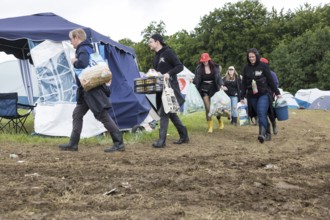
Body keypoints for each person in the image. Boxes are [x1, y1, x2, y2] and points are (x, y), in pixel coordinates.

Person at [59, 28, 125, 152]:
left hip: (91, 90)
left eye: (71, 39)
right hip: (87, 90)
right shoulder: (89, 48)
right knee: (77, 114)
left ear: (77, 37)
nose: (71, 42)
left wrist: (74, 62)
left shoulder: (82, 49)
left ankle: (119, 143)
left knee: (102, 115)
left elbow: (83, 64)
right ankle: (73, 144)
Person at [148, 33, 189, 148]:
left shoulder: (168, 52)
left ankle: (162, 141)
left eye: (150, 41)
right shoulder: (156, 56)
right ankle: (184, 135)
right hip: (160, 88)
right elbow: (158, 71)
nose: (149, 44)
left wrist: (168, 73)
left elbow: (179, 66)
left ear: (157, 42)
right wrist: (153, 72)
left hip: (170, 87)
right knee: (170, 113)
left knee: (164, 112)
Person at [240, 48, 281, 143]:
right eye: (249, 57)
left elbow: (270, 80)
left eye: (253, 56)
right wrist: (241, 96)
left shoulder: (263, 66)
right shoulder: (246, 68)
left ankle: (261, 134)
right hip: (252, 95)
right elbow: (244, 84)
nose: (251, 58)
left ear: (257, 56)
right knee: (259, 114)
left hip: (264, 93)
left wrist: (277, 92)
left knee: (261, 111)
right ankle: (268, 133)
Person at [193, 53, 224, 133]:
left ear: (209, 59)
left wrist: (221, 85)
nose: (204, 62)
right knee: (208, 108)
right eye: (203, 61)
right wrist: (192, 82)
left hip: (214, 88)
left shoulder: (215, 67)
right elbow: (197, 78)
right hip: (203, 88)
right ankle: (210, 126)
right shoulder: (199, 68)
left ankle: (220, 120)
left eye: (205, 60)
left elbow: (219, 78)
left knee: (216, 108)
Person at [260, 57, 279, 135]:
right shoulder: (257, 74)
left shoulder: (271, 73)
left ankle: (274, 124)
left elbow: (276, 83)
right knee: (262, 114)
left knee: (270, 112)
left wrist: (275, 92)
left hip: (269, 95)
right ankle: (267, 131)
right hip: (260, 95)